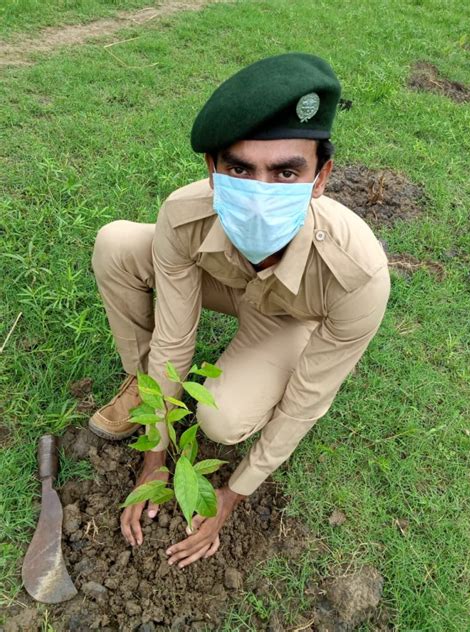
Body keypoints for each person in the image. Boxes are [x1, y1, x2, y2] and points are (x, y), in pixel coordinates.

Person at [89, 53, 390, 569]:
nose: (259, 194)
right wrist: (156, 454)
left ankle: (239, 378)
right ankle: (142, 389)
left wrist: (233, 493)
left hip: (288, 316)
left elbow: (308, 399)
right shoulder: (184, 216)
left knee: (221, 419)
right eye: (240, 169)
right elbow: (175, 338)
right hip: (223, 282)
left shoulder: (356, 275)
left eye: (286, 171)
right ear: (212, 170)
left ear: (320, 177)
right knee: (117, 244)